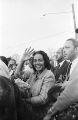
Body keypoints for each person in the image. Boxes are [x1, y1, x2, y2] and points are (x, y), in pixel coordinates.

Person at [15, 48, 55, 120]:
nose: (37, 63)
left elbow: (42, 99)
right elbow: (17, 75)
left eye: (40, 60)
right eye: (35, 61)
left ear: (45, 61)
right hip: (29, 108)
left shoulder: (49, 75)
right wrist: (22, 61)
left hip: (40, 113)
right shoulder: (33, 73)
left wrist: (24, 101)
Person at [43, 38, 78, 120]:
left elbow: (72, 91)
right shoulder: (70, 65)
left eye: (67, 47)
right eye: (63, 48)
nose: (64, 51)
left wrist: (51, 111)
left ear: (76, 49)